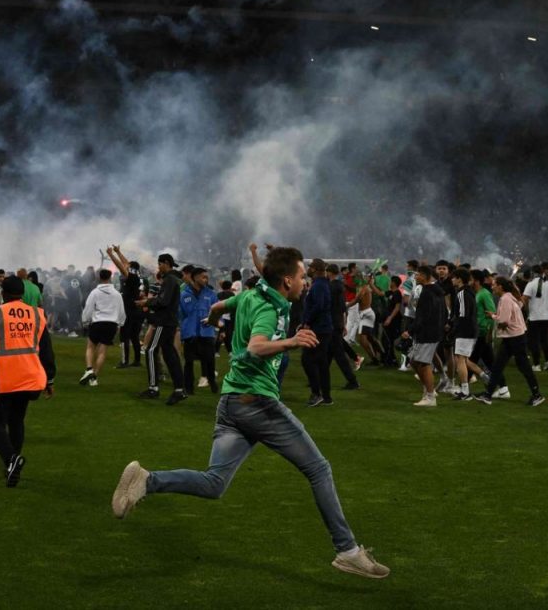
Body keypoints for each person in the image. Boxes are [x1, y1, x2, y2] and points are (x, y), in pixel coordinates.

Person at [110, 246, 390, 580]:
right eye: (302, 276)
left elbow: (216, 307)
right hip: (258, 404)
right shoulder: (269, 309)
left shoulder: (250, 296)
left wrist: (213, 323)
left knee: (215, 483)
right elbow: (258, 346)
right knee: (319, 469)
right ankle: (347, 551)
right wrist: (291, 342)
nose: (306, 282)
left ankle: (147, 480)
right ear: (287, 280)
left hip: (232, 404)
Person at [0, 275, 55, 487]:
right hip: (29, 378)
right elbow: (46, 350)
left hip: (2, 379)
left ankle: (11, 460)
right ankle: (12, 464)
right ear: (23, 293)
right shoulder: (37, 314)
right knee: (16, 421)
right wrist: (50, 378)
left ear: (2, 293)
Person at [474, 276, 544, 407]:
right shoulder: (510, 297)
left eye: (494, 284)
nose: (492, 287)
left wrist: (493, 316)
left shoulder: (505, 299)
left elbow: (503, 322)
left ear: (500, 286)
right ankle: (488, 395)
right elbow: (519, 306)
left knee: (522, 366)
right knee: (498, 366)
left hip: (514, 338)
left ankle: (537, 395)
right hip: (514, 337)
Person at [137, 254, 186, 405]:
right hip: (170, 321)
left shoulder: (169, 280)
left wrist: (147, 302)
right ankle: (179, 389)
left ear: (166, 263)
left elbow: (163, 301)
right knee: (170, 353)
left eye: (160, 264)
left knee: (151, 350)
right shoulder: (175, 279)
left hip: (164, 321)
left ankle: (153, 388)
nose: (158, 267)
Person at [403, 266, 445, 407]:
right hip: (432, 332)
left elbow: (423, 316)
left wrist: (410, 330)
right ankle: (429, 389)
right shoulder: (436, 291)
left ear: (426, 276)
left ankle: (430, 396)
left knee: (423, 364)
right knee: (414, 362)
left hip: (427, 333)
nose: (416, 277)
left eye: (419, 274)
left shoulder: (427, 293)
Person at [80, 269, 126, 387]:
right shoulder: (116, 294)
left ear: (99, 277)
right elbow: (121, 311)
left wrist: (85, 320)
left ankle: (89, 369)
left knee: (90, 346)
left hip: (98, 322)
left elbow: (88, 307)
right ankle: (94, 378)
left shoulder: (95, 292)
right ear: (110, 277)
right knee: (102, 351)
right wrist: (120, 323)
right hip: (111, 324)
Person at [301, 258, 335, 407]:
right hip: (323, 327)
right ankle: (326, 397)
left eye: (310, 267)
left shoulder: (319, 285)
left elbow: (319, 305)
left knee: (307, 360)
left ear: (314, 269)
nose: (308, 269)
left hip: (319, 328)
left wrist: (307, 322)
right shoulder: (321, 283)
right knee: (321, 362)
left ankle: (317, 393)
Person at [179, 266, 219, 394]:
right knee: (189, 362)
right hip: (190, 333)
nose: (206, 279)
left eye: (207, 277)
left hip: (207, 333)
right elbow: (180, 314)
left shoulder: (211, 294)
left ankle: (213, 384)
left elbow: (218, 310)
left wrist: (214, 321)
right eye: (203, 277)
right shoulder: (184, 294)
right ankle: (189, 388)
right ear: (195, 277)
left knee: (210, 361)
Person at [107, 245, 145, 368]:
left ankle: (124, 361)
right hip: (138, 310)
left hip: (128, 308)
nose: (126, 265)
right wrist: (118, 252)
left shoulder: (131, 276)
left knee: (124, 335)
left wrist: (111, 255)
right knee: (134, 336)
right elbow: (126, 263)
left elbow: (121, 266)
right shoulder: (138, 275)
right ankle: (137, 361)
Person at [450, 268, 484, 400]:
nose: (452, 280)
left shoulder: (462, 293)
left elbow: (463, 315)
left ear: (459, 279)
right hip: (470, 329)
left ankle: (465, 391)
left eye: (454, 277)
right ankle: (489, 380)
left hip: (465, 330)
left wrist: (455, 330)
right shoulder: (469, 292)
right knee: (464, 360)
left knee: (460, 359)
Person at [522, 263, 548, 372]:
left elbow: (524, 300)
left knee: (534, 341)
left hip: (535, 317)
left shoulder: (530, 285)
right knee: (545, 339)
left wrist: (524, 311)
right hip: (547, 317)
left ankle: (536, 364)